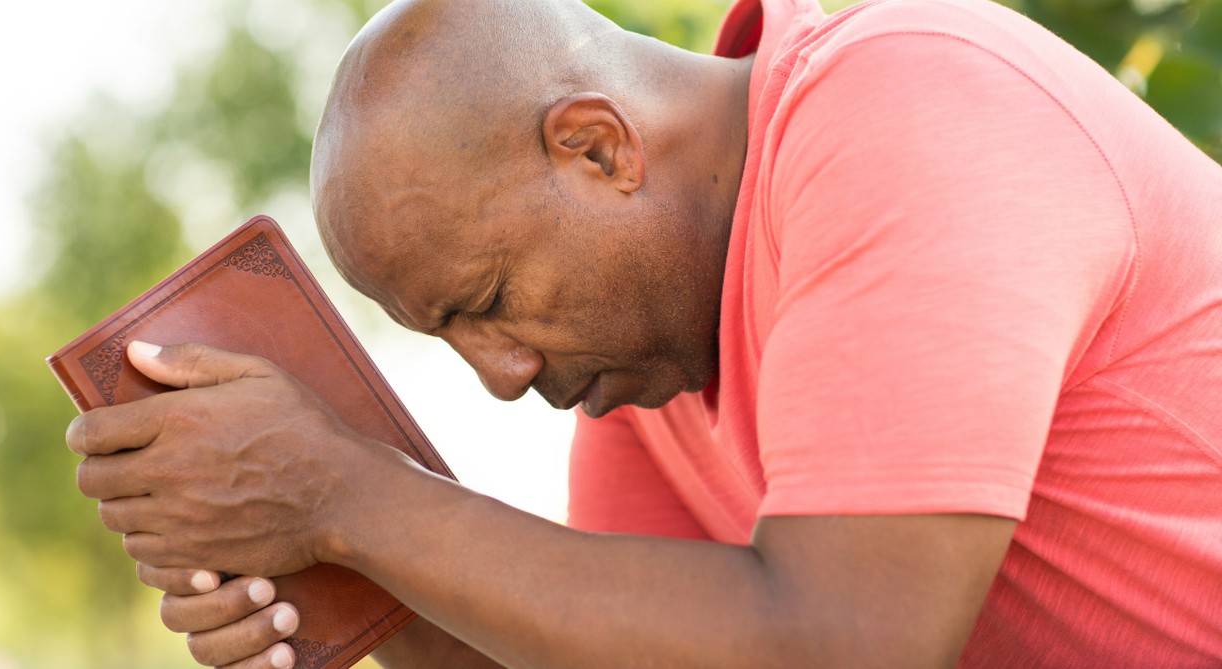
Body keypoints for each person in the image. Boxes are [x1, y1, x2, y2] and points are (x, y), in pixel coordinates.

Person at [66, 0, 1222, 666]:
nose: (503, 377)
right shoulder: (658, 369)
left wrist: (349, 498)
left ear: (596, 147)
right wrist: (346, 580)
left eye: (482, 301)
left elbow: (842, 647)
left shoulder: (904, 106)